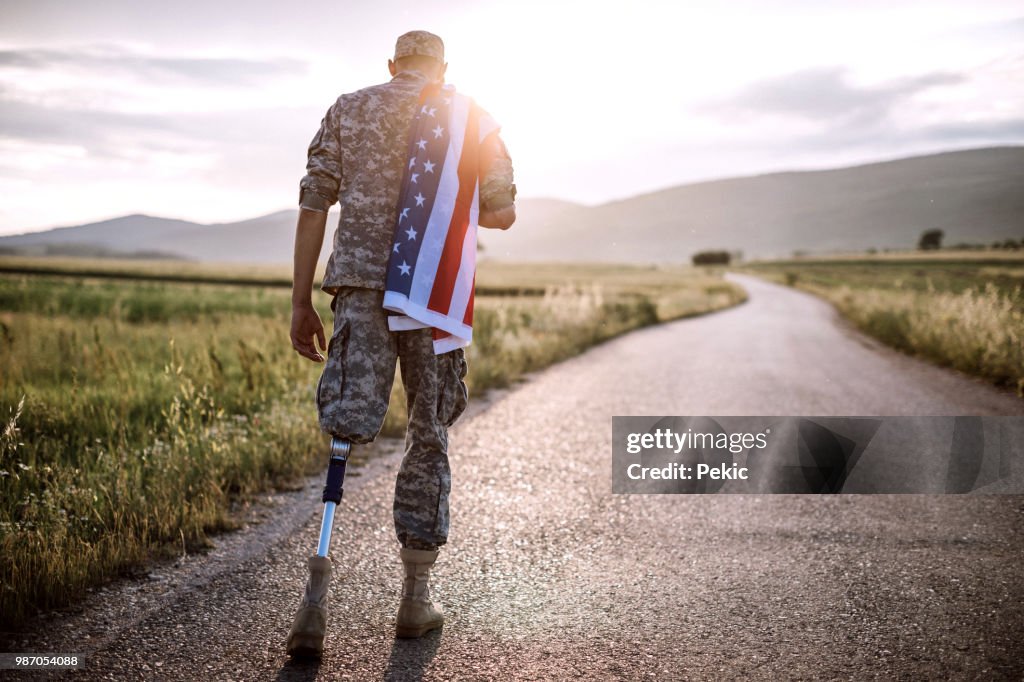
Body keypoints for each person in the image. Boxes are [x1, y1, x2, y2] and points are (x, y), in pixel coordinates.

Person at [286, 30, 516, 654]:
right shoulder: (470, 117)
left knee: (345, 428)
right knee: (428, 430)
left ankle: (314, 604)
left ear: (391, 66)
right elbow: (500, 213)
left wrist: (302, 299)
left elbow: (313, 206)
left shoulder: (349, 108)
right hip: (430, 296)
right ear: (443, 68)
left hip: (359, 290)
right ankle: (414, 602)